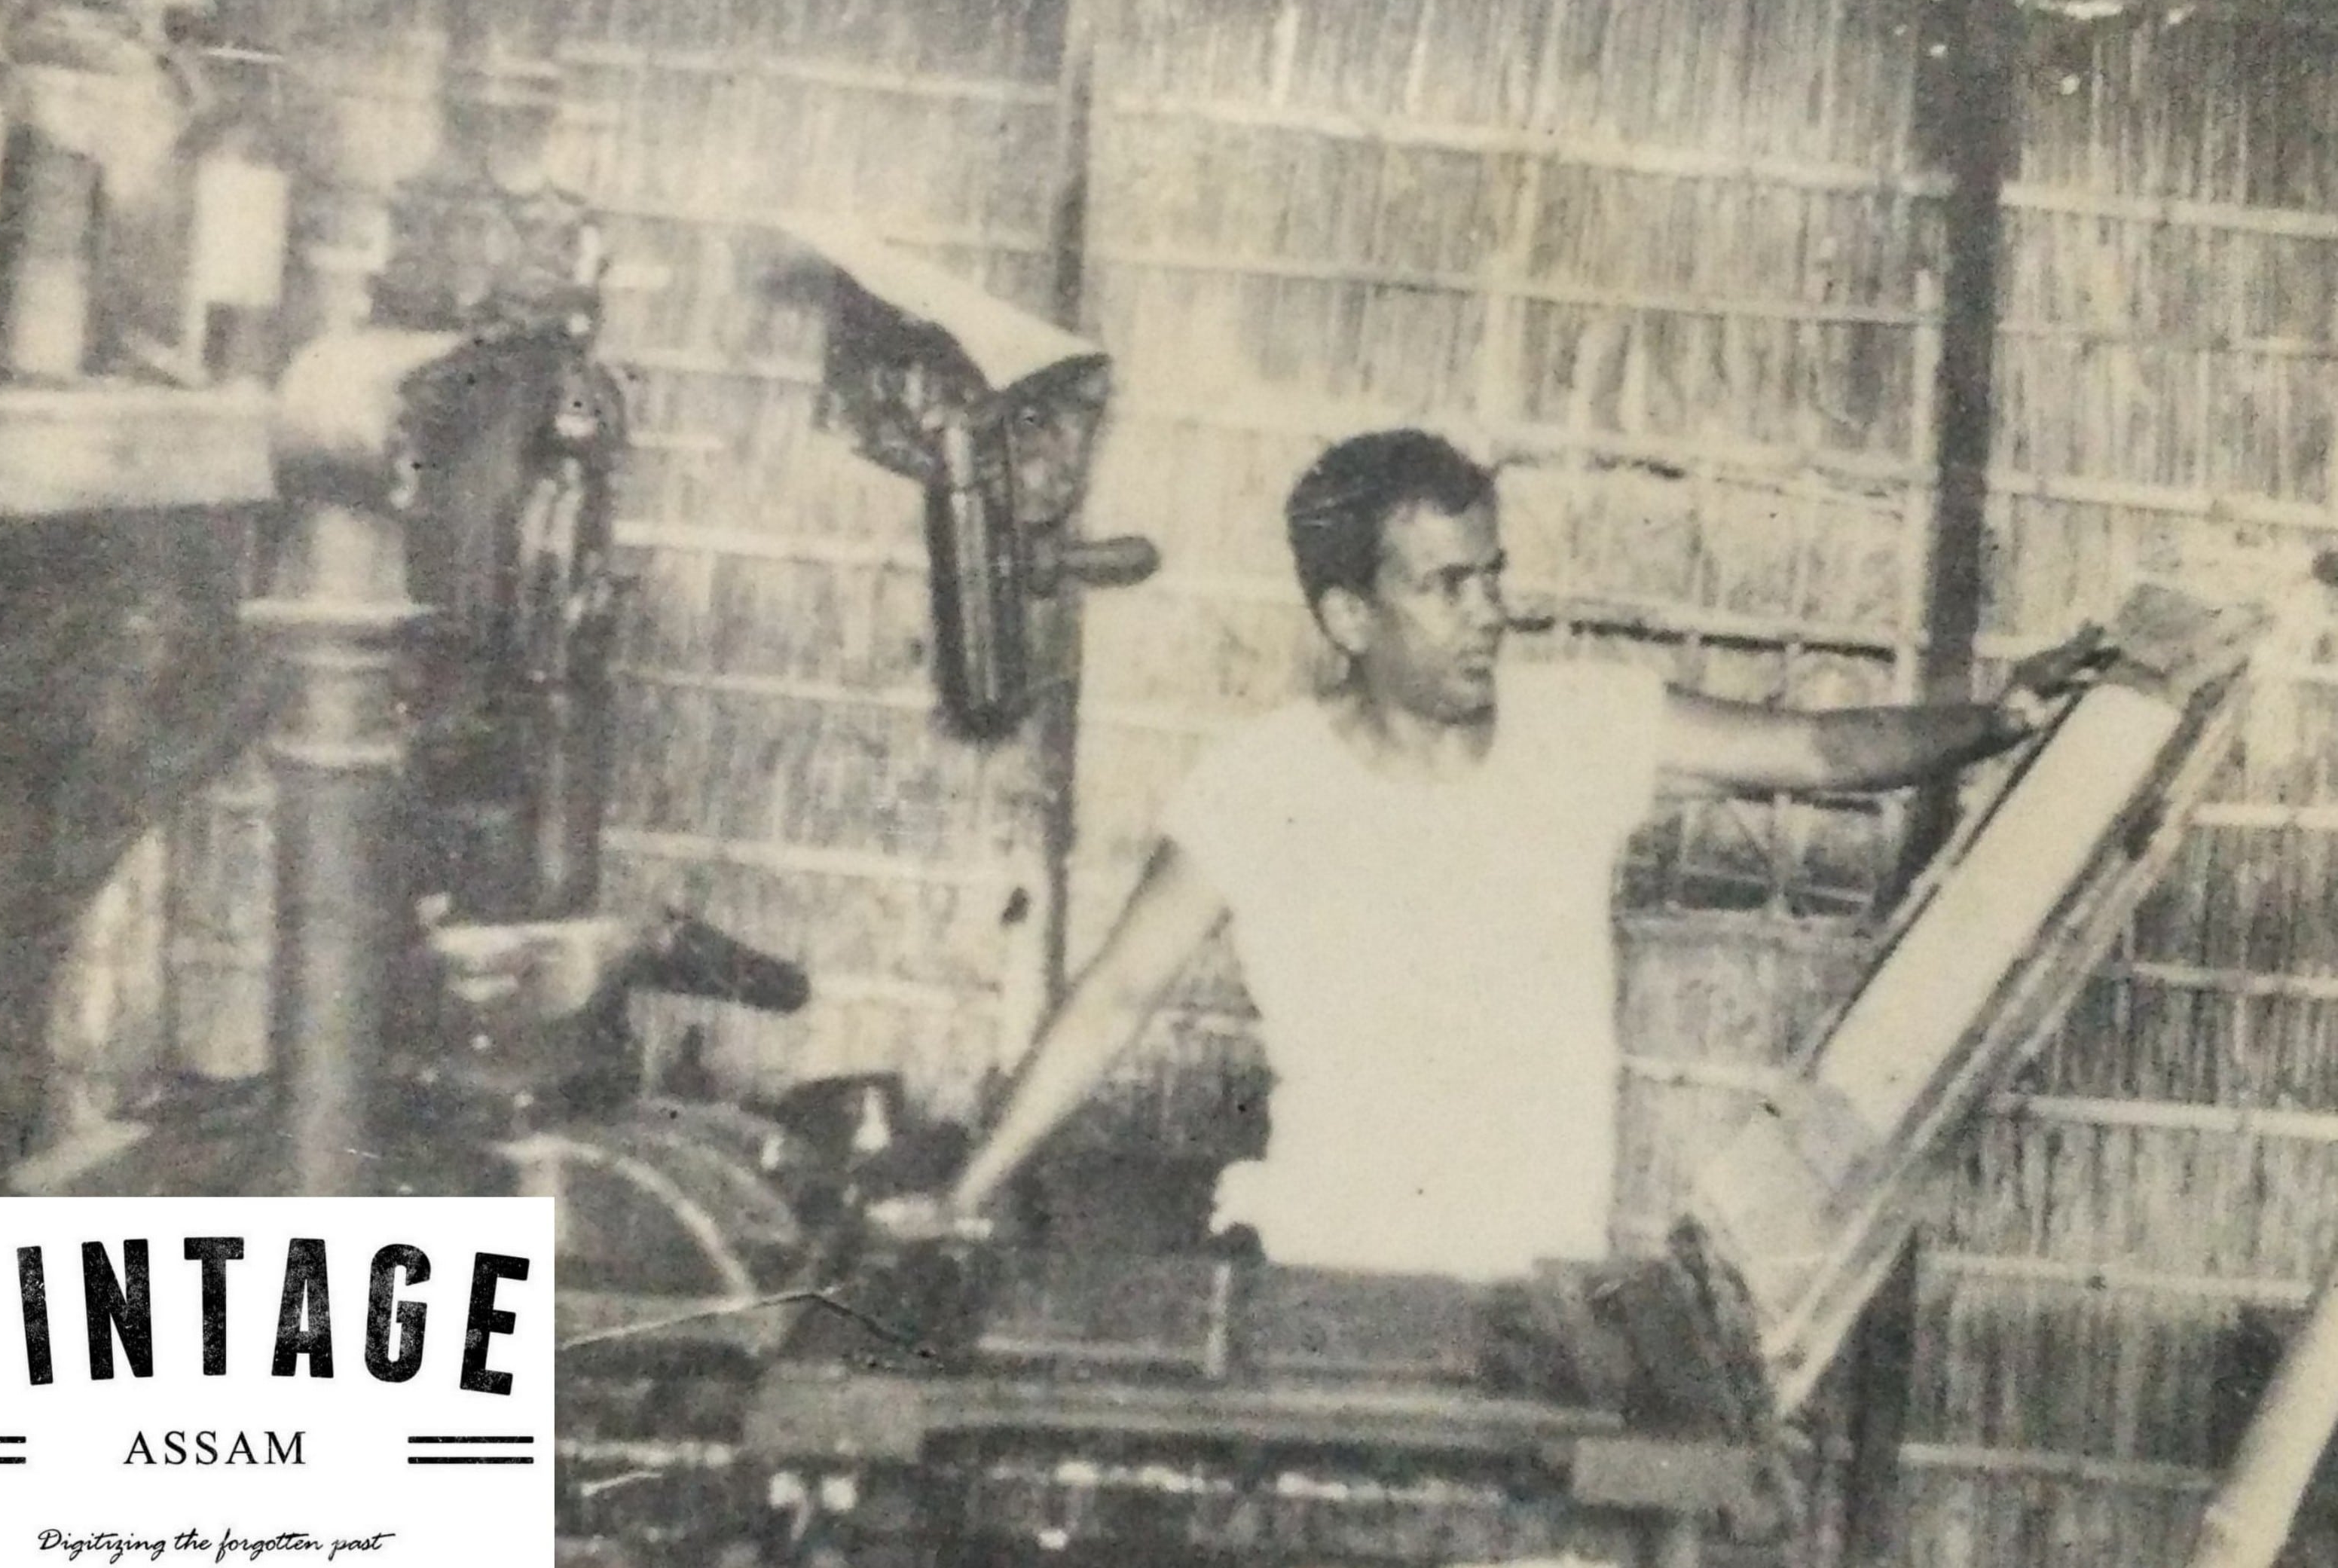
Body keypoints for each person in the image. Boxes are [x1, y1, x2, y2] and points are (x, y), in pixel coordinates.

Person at [872, 429, 2102, 1291]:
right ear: (1349, 617)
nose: (1488, 613)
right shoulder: (1259, 785)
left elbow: (1822, 750)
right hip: (1326, 1273)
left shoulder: (1582, 726)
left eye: (1493, 577)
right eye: (1446, 585)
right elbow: (1114, 995)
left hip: (1531, 1288)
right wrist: (965, 1192)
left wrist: (1997, 716)